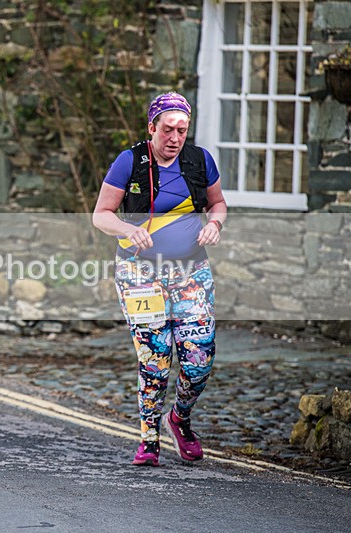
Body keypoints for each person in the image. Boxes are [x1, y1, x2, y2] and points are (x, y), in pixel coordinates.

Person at [91, 92, 227, 467]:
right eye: (168, 129)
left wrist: (215, 223)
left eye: (182, 130)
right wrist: (125, 228)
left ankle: (179, 418)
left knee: (199, 357)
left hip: (190, 270)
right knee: (155, 357)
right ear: (151, 127)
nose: (175, 137)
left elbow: (217, 203)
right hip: (139, 272)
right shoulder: (130, 162)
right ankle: (148, 438)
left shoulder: (199, 161)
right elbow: (101, 215)